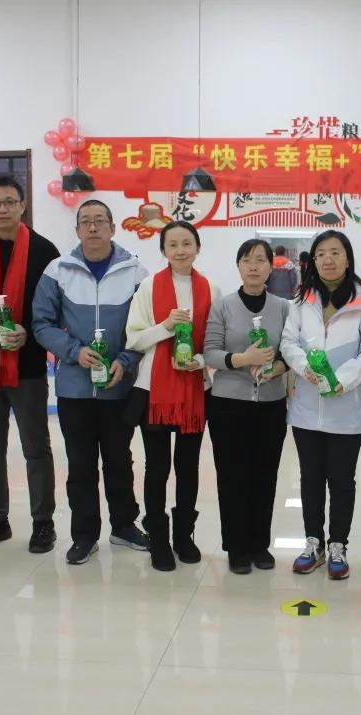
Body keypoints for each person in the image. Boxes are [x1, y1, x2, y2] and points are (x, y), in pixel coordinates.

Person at [31, 199, 150, 565]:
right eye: (86, 221)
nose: (93, 227)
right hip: (75, 389)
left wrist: (125, 361)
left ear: (113, 227)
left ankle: (124, 526)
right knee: (80, 464)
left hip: (118, 387)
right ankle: (84, 535)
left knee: (119, 460)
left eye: (100, 220)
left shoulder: (136, 272)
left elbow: (145, 327)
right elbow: (41, 324)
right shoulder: (58, 270)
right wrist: (74, 351)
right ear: (78, 230)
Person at [0, 176, 60, 554]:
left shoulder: (45, 253)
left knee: (36, 448)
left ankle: (43, 523)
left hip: (28, 367)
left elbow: (56, 311)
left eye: (9, 201)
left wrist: (28, 334)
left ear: (22, 205)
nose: (2, 209)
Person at [280, 230, 361, 580]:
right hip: (307, 409)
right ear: (313, 260)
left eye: (335, 252)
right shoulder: (301, 299)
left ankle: (338, 544)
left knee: (341, 480)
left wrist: (346, 378)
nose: (328, 259)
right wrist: (303, 367)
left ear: (347, 258)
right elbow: (288, 343)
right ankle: (314, 543)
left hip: (346, 407)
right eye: (321, 253)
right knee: (310, 479)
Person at [125, 220, 221, 572]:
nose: (180, 250)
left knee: (188, 466)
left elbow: (216, 342)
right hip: (154, 391)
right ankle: (159, 540)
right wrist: (165, 326)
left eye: (186, 243)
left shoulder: (211, 289)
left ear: (198, 247)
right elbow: (133, 338)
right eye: (173, 245)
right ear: (163, 250)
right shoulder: (149, 286)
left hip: (195, 388)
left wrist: (200, 361)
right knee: (157, 467)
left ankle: (183, 536)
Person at [204, 239, 291, 574]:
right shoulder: (223, 306)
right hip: (228, 405)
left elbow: (290, 351)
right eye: (246, 260)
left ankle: (259, 544)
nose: (253, 266)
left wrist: (277, 367)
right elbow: (210, 352)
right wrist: (243, 359)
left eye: (260, 260)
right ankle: (236, 547)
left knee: (265, 476)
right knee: (232, 477)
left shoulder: (283, 308)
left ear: (271, 266)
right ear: (238, 266)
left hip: (270, 404)